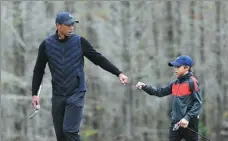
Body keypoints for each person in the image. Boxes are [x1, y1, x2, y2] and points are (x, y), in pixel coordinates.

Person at [31, 11, 128, 141]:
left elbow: (98, 59)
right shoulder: (46, 45)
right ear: (58, 26)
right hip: (58, 95)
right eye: (68, 25)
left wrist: (118, 73)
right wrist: (35, 93)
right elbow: (38, 70)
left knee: (69, 130)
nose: (72, 27)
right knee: (61, 136)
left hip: (76, 93)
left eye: (73, 24)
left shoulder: (79, 42)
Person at [136, 55, 202, 141]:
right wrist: (145, 87)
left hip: (189, 123)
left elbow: (198, 103)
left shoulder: (192, 82)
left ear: (187, 68)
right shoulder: (174, 83)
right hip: (176, 123)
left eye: (178, 66)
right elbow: (160, 92)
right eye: (175, 66)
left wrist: (187, 118)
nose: (175, 69)